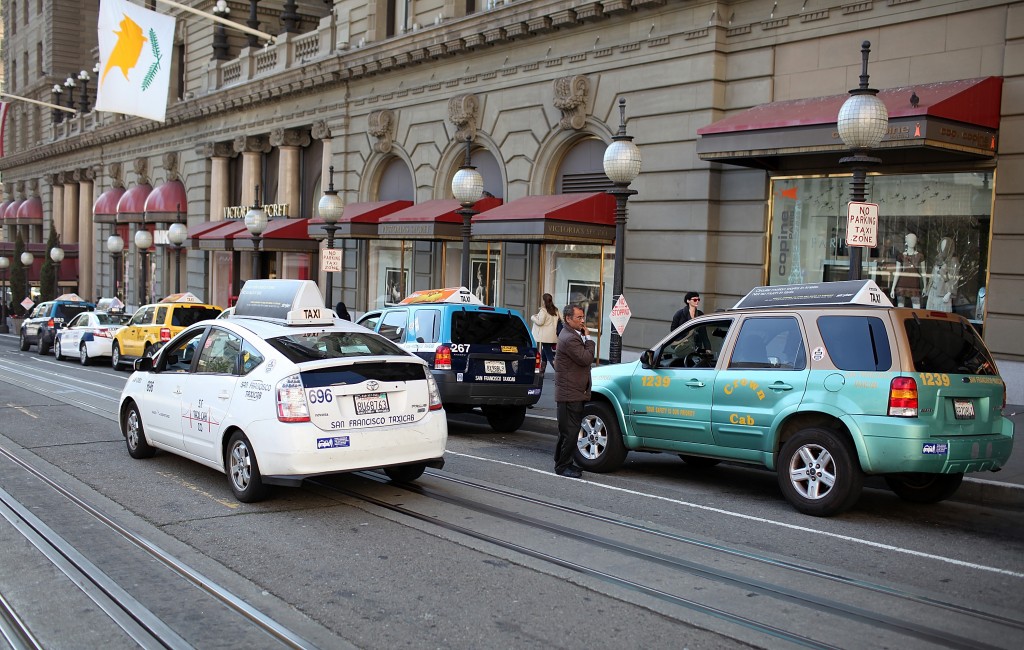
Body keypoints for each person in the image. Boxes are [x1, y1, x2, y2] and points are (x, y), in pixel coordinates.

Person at [553, 303, 596, 478]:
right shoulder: (570, 338)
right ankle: (563, 466)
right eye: (579, 317)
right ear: (568, 319)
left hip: (571, 391)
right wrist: (589, 340)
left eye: (583, 317)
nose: (582, 320)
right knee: (570, 432)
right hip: (570, 393)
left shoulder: (570, 334)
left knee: (567, 431)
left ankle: (563, 462)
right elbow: (586, 358)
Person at [890, 233, 926, 308]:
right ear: (906, 242)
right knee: (900, 308)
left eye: (913, 240)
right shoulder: (901, 256)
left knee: (916, 307)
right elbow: (897, 272)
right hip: (902, 285)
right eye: (910, 240)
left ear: (916, 241)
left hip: (915, 285)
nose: (912, 241)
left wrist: (925, 287)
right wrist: (893, 288)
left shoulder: (920, 256)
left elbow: (923, 272)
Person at [925, 237, 958, 312]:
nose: (943, 248)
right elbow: (933, 276)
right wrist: (928, 289)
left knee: (942, 315)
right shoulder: (938, 259)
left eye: (945, 246)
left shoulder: (953, 261)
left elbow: (954, 279)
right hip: (933, 291)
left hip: (943, 293)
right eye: (942, 245)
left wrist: (949, 293)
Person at [530, 293, 560, 374]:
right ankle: (542, 369)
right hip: (552, 336)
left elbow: (540, 322)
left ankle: (558, 371)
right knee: (545, 351)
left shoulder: (543, 310)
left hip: (544, 336)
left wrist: (533, 317)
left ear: (544, 301)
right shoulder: (556, 310)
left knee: (549, 354)